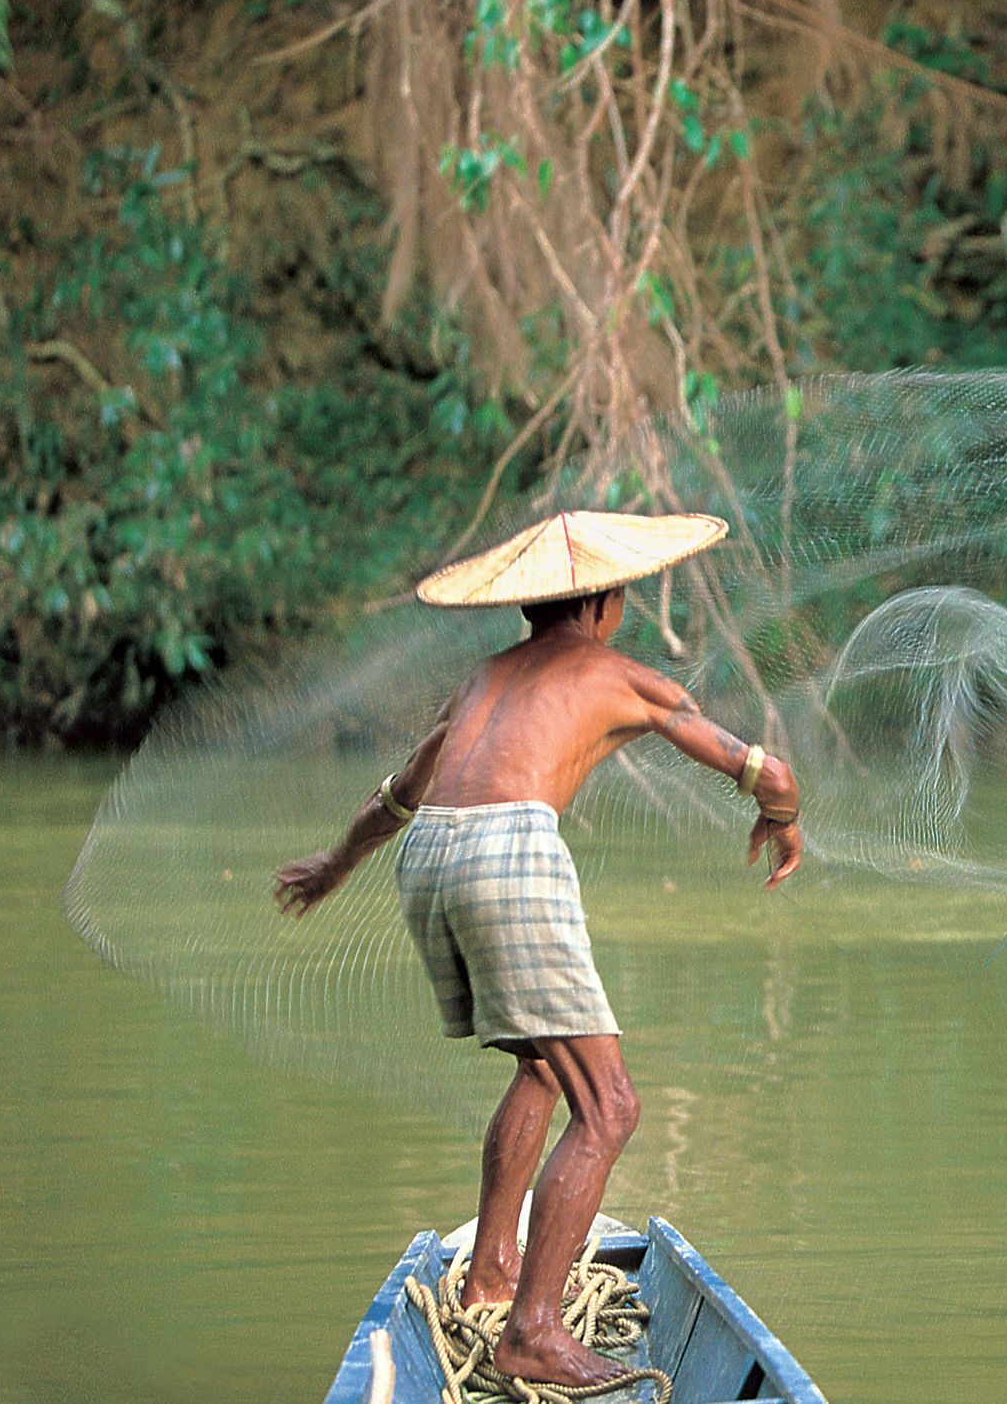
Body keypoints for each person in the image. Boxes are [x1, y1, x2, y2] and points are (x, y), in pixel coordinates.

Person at [272, 509, 802, 1391]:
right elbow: (770, 773)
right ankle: (533, 1330)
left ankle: (490, 1271)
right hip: (505, 855)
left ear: (532, 608)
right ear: (602, 605)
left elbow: (399, 796)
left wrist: (334, 865)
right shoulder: (620, 675)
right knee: (611, 1107)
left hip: (426, 858)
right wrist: (782, 819)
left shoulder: (481, 680)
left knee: (546, 1066)